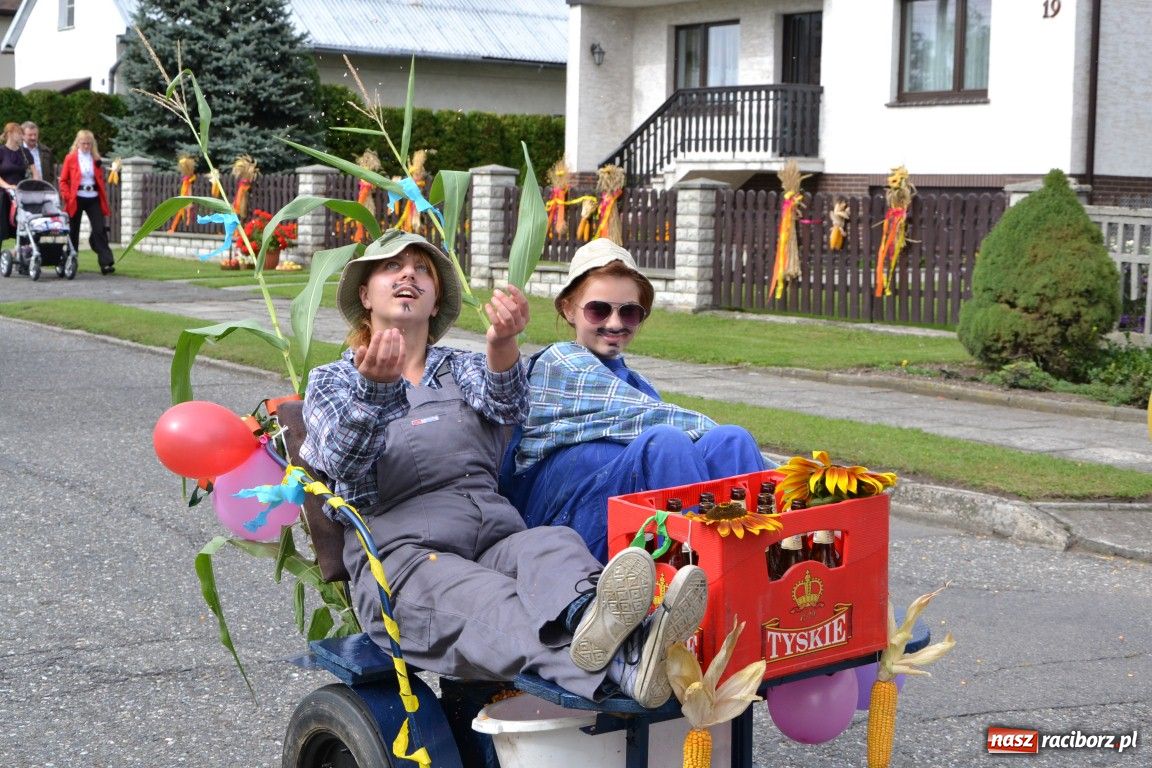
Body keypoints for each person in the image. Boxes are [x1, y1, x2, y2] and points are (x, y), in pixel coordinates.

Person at [300, 229, 708, 709]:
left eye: (423, 269)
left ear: (435, 305)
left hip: (495, 538)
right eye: (392, 266)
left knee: (553, 544)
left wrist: (502, 343)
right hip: (405, 561)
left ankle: (604, 619)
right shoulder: (333, 380)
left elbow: (506, 400)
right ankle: (629, 659)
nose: (409, 273)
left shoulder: (461, 366)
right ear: (366, 295)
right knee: (496, 603)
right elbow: (342, 464)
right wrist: (374, 393)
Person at [503, 238, 770, 562]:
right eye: (598, 309)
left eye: (628, 313)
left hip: (630, 512)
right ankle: (700, 573)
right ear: (568, 308)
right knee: (666, 443)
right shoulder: (559, 362)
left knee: (732, 440)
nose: (614, 323)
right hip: (562, 521)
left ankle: (753, 570)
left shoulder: (637, 386)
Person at [58, 129, 116, 275]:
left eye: (89, 144)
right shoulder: (70, 158)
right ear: (77, 143)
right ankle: (71, 261)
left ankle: (106, 263)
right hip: (76, 197)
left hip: (93, 197)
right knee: (73, 231)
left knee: (99, 229)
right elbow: (63, 180)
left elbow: (100, 178)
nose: (86, 147)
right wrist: (66, 195)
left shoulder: (96, 159)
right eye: (83, 143)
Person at [0, 122, 36, 251]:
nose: (22, 136)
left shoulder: (25, 152)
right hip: (3, 195)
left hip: (21, 195)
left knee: (23, 227)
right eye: (19, 133)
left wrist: (36, 186)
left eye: (22, 133)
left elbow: (35, 173)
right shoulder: (1, 151)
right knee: (1, 226)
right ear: (9, 134)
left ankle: (23, 258)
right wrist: (8, 186)